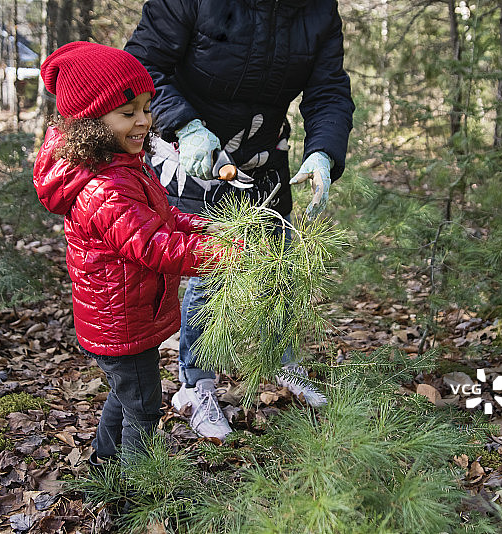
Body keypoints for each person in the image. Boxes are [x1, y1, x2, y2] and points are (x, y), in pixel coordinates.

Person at [125, 0, 355, 440]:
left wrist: (324, 150)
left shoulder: (318, 10)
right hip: (193, 153)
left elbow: (328, 89)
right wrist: (184, 125)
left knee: (280, 262)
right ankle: (197, 385)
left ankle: (282, 362)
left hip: (265, 153)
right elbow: (141, 63)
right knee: (210, 269)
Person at [32, 41, 232, 467]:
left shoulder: (122, 163)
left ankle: (103, 469)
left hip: (125, 315)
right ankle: (136, 492)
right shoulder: (104, 187)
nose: (143, 120)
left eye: (145, 107)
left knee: (125, 398)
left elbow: (161, 217)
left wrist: (209, 228)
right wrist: (222, 253)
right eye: (128, 113)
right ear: (90, 122)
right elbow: (152, 246)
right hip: (117, 322)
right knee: (142, 406)